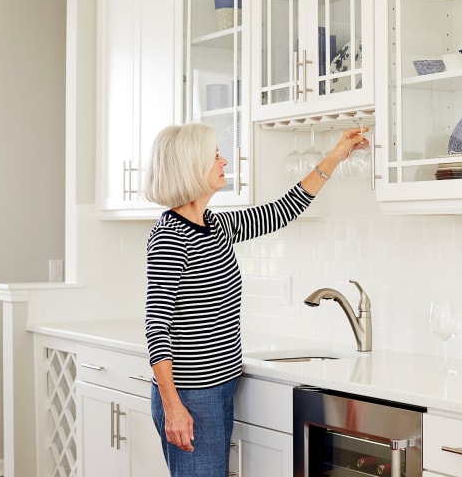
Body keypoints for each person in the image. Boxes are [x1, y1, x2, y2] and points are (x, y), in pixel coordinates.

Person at [143, 123, 369, 477]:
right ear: (191, 166)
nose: (224, 161)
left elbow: (282, 210)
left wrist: (337, 154)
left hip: (220, 384)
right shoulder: (171, 237)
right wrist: (173, 406)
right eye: (215, 156)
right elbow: (157, 326)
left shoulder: (216, 225)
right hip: (191, 393)